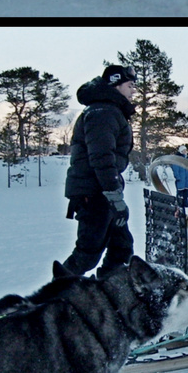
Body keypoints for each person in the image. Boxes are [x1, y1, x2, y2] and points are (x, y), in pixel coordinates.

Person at [59, 65, 138, 277]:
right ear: (116, 84)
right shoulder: (103, 112)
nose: (133, 91)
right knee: (88, 253)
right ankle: (51, 298)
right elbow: (102, 157)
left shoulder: (109, 110)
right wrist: (113, 195)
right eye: (130, 86)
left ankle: (108, 292)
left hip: (102, 190)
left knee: (121, 248)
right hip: (94, 192)